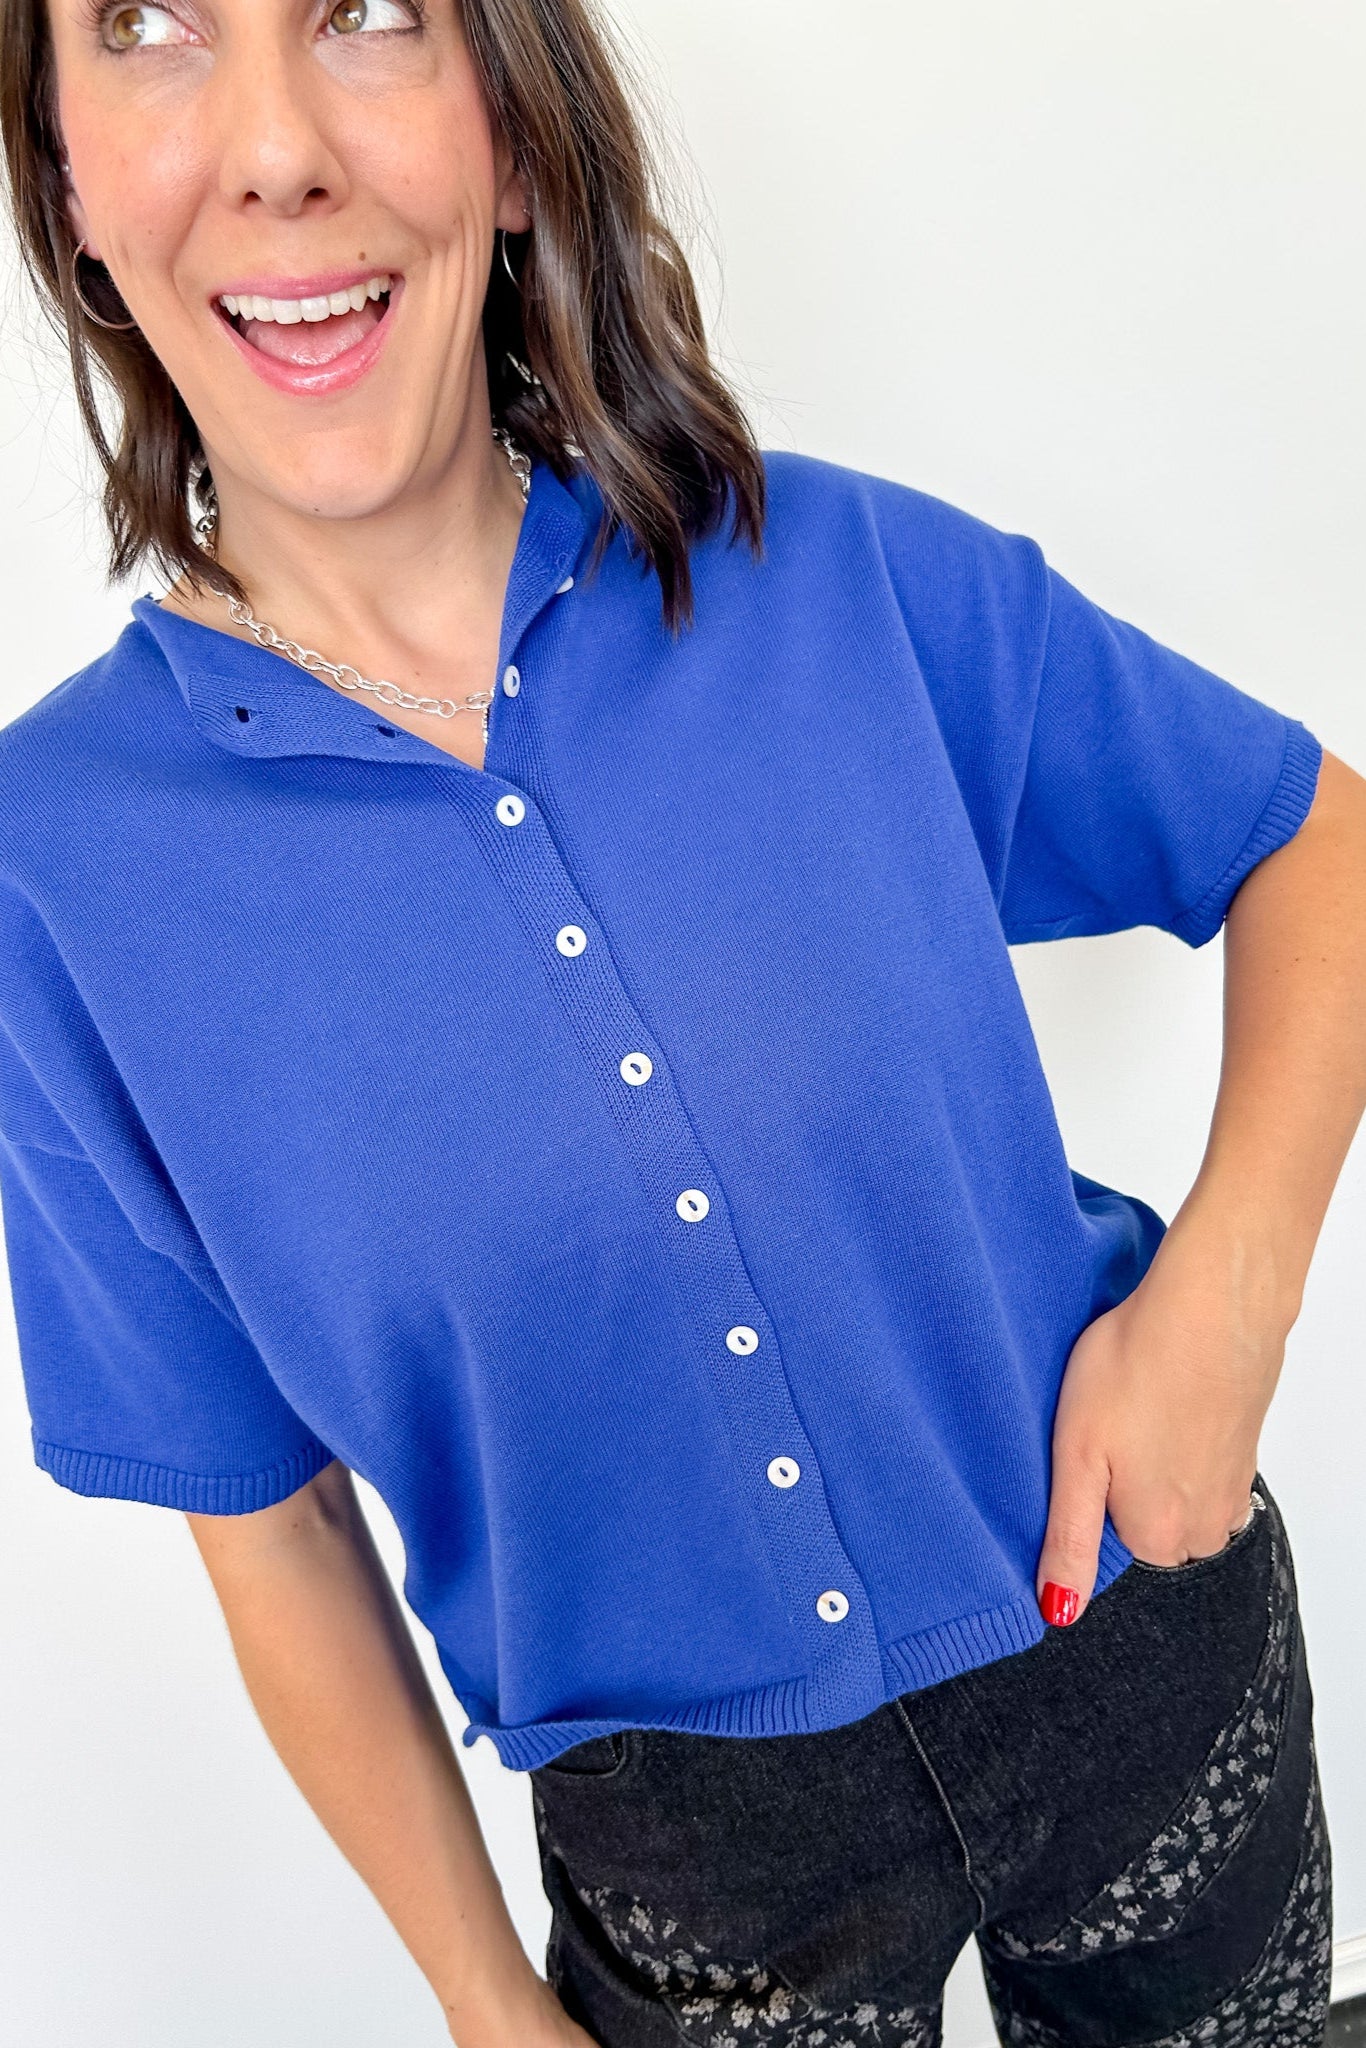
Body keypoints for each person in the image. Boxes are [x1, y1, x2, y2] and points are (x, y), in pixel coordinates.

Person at [1, 1, 1363, 2043]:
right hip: (686, 1852)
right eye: (148, 28)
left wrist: (1221, 1313)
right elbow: (263, 1516)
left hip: (1131, 1641)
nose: (274, 146)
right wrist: (483, 2000)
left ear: (517, 138)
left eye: (366, 13)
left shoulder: (819, 575)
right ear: (70, 180)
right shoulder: (56, 879)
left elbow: (1308, 843)